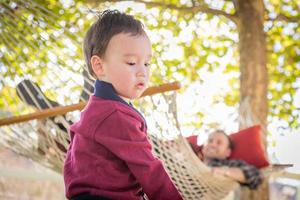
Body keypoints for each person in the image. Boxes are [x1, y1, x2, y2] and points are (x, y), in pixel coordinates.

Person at [63, 10, 183, 200]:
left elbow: (70, 163)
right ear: (99, 66)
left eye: (147, 63)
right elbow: (149, 169)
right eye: (132, 62)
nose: (142, 71)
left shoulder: (95, 110)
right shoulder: (114, 115)